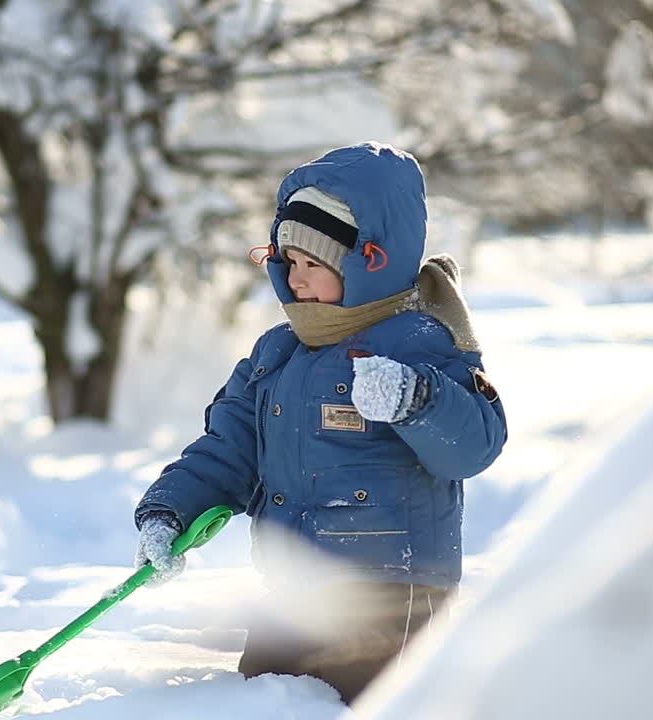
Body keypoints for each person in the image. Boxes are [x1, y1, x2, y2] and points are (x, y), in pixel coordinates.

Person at [132, 141, 507, 704]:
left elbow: (473, 446)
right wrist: (169, 512)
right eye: (291, 264)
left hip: (391, 598)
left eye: (316, 264)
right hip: (292, 592)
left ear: (368, 261)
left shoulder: (422, 343)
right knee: (264, 702)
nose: (299, 279)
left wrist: (416, 400)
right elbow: (228, 449)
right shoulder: (277, 354)